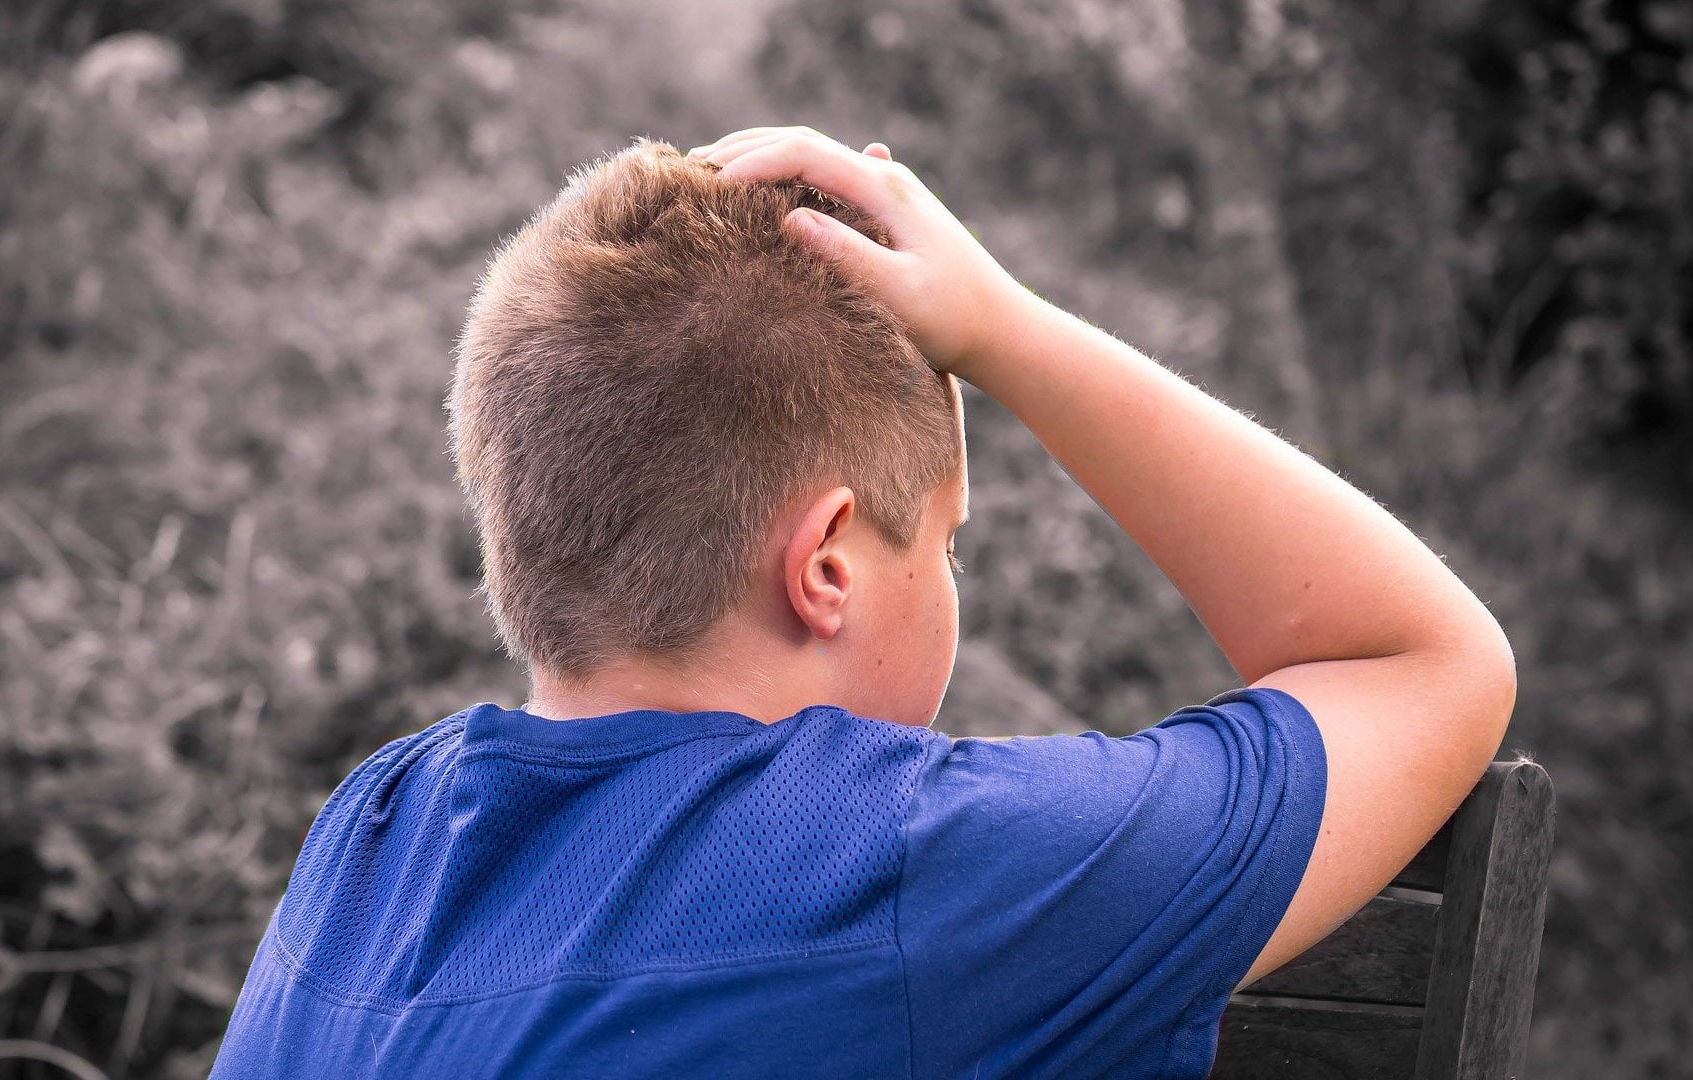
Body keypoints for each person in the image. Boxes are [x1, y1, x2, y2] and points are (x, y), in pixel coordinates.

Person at [208, 128, 1516, 1079]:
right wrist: (1006, 331)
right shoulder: (915, 874)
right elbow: (1425, 661)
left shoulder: (372, 839)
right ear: (827, 563)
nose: (949, 585)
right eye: (944, 546)